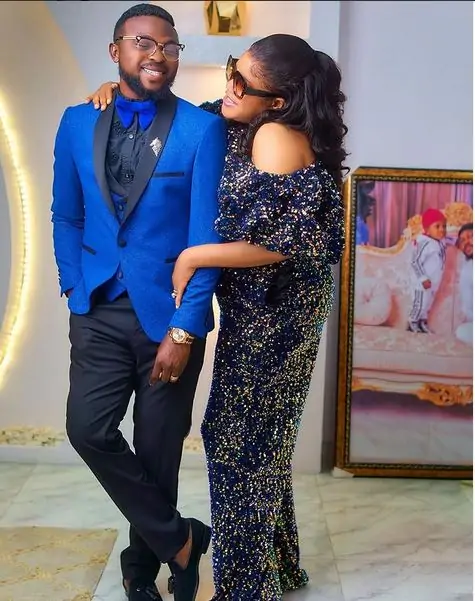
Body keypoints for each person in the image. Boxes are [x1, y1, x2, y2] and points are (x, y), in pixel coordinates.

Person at [88, 32, 346, 600]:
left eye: (241, 82)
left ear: (277, 101)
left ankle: (247, 587)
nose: (228, 86)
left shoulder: (274, 135)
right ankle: (275, 568)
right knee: (260, 443)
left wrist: (194, 255)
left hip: (279, 312)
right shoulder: (239, 119)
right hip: (257, 306)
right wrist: (119, 91)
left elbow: (283, 243)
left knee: (238, 441)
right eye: (233, 68)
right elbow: (181, 115)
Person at [51, 4, 227, 601]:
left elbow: (205, 241)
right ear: (116, 51)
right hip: (98, 308)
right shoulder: (78, 121)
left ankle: (142, 570)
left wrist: (184, 329)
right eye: (144, 43)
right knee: (88, 430)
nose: (158, 55)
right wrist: (74, 284)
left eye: (170, 46)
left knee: (157, 453)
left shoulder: (201, 130)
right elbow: (66, 214)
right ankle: (182, 540)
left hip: (168, 317)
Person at [408, 208, 447, 334]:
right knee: (420, 303)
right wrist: (423, 278)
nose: (442, 229)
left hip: (433, 283)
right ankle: (412, 322)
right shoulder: (425, 243)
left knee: (427, 305)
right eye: (437, 226)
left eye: (444, 226)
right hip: (422, 283)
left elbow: (448, 241)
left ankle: (422, 322)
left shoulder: (439, 242)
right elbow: (415, 262)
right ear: (427, 229)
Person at [455, 222, 473, 345]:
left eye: (471, 236)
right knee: (462, 332)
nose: (466, 242)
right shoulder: (467, 266)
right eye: (462, 240)